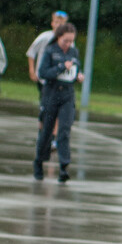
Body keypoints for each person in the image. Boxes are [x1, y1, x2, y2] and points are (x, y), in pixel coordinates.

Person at [32, 22, 83, 182]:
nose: (68, 44)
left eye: (71, 41)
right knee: (46, 131)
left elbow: (75, 69)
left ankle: (64, 166)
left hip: (67, 95)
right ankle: (39, 162)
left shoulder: (74, 52)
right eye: (65, 41)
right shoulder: (50, 51)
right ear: (59, 37)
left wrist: (78, 76)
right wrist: (61, 67)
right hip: (51, 94)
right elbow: (43, 73)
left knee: (64, 130)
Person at [27, 10, 68, 144]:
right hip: (44, 79)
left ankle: (53, 136)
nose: (58, 25)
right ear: (52, 23)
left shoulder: (67, 41)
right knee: (45, 108)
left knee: (56, 107)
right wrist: (32, 70)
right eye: (56, 22)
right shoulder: (44, 37)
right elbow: (31, 53)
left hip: (59, 79)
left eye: (61, 23)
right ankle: (43, 132)